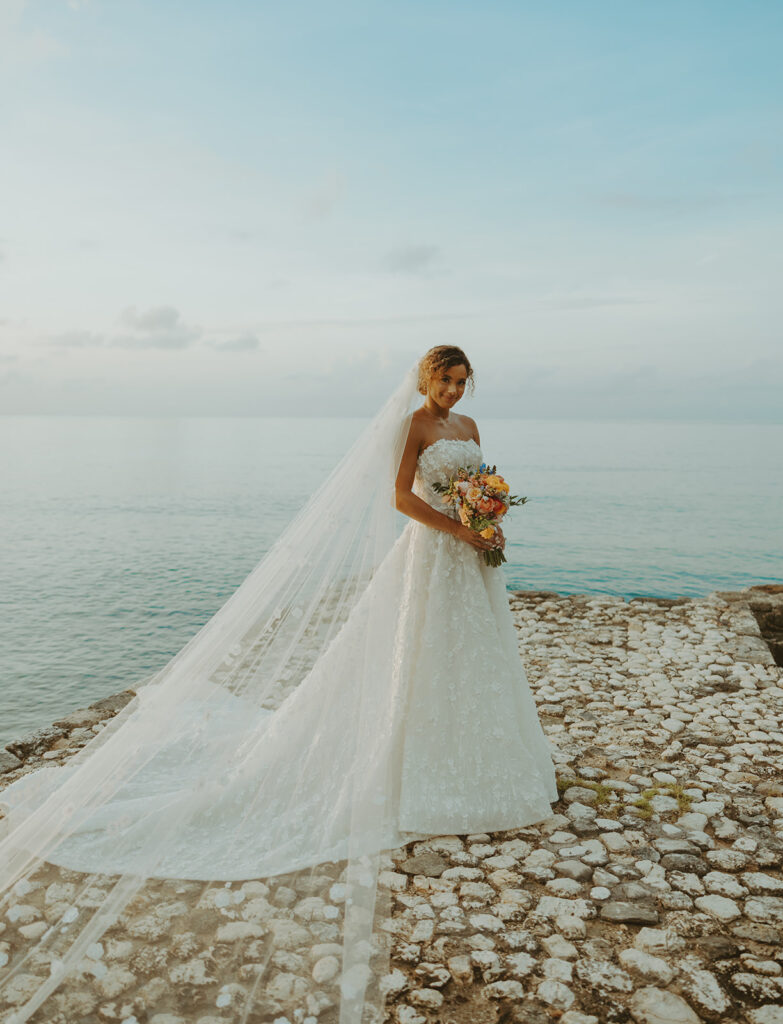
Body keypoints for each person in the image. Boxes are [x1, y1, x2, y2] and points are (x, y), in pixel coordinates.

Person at [0, 345, 558, 1024]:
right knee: (416, 655)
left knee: (474, 657)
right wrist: (459, 529)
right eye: (445, 380)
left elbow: (477, 483)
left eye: (463, 382)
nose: (454, 391)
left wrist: (486, 520)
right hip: (432, 556)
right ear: (424, 380)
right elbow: (398, 498)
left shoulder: (469, 432)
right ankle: (409, 755)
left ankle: (475, 755)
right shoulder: (410, 426)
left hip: (470, 561)